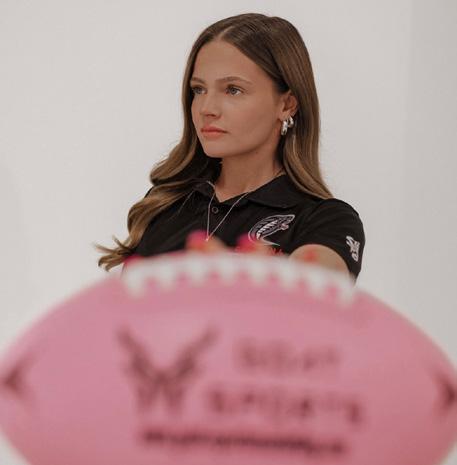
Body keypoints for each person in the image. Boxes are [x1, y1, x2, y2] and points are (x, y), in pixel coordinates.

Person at [94, 13, 365, 282]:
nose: (206, 108)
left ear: (287, 104)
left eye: (233, 89)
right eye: (199, 90)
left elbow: (321, 274)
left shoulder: (325, 219)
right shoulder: (165, 203)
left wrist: (281, 279)